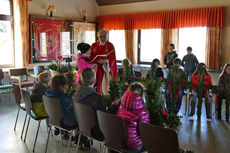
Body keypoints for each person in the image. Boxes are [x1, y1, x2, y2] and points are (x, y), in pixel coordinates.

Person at [72, 68, 118, 141]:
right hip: (96, 132)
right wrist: (113, 106)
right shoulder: (97, 98)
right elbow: (105, 117)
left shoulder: (75, 95)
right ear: (94, 80)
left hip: (81, 127)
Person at [117, 82, 149, 151]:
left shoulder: (121, 106)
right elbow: (145, 133)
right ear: (141, 95)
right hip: (133, 145)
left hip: (119, 141)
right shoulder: (143, 111)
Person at [90, 29, 118, 94]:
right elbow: (90, 57)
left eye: (104, 36)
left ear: (107, 36)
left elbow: (113, 59)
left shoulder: (110, 46)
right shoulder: (94, 45)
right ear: (98, 36)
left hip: (105, 70)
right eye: (100, 36)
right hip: (95, 69)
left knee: (104, 88)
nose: (102, 38)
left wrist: (106, 61)